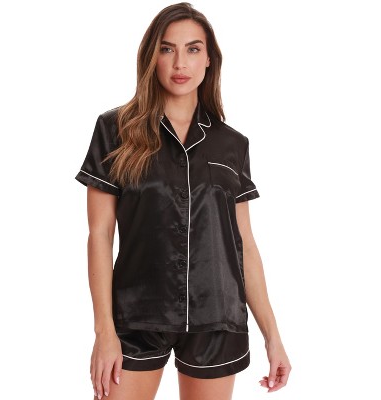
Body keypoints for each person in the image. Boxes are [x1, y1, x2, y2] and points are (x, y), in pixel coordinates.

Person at [75, 2, 291, 399]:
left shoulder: (232, 144)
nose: (180, 63)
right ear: (152, 56)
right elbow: (100, 235)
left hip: (217, 317)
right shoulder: (115, 130)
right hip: (136, 315)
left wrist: (272, 335)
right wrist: (104, 331)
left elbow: (244, 244)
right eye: (167, 49)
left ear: (209, 59)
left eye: (193, 49)